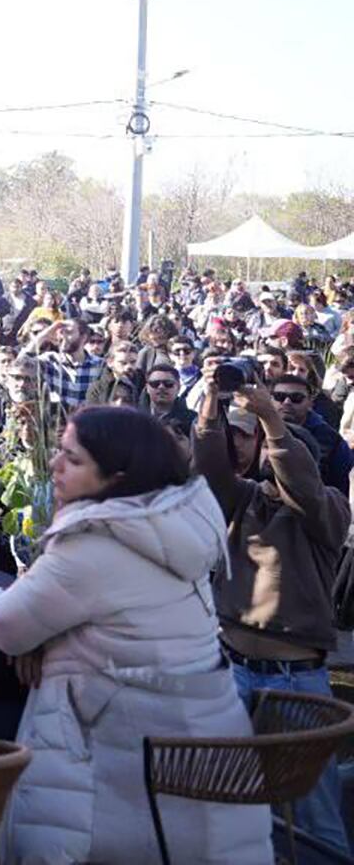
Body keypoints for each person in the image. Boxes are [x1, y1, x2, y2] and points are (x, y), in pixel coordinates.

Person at [0, 407, 268, 862]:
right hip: (209, 763)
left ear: (116, 477)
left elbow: (2, 626)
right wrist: (50, 635)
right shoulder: (176, 521)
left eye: (72, 460)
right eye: (59, 452)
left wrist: (40, 636)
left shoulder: (94, 543)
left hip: (126, 780)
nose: (55, 466)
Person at [193, 361, 352, 857]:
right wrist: (211, 404)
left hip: (293, 681)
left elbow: (302, 486)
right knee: (223, 804)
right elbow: (210, 467)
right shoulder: (242, 499)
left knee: (312, 816)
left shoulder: (328, 511)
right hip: (232, 670)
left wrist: (273, 420)